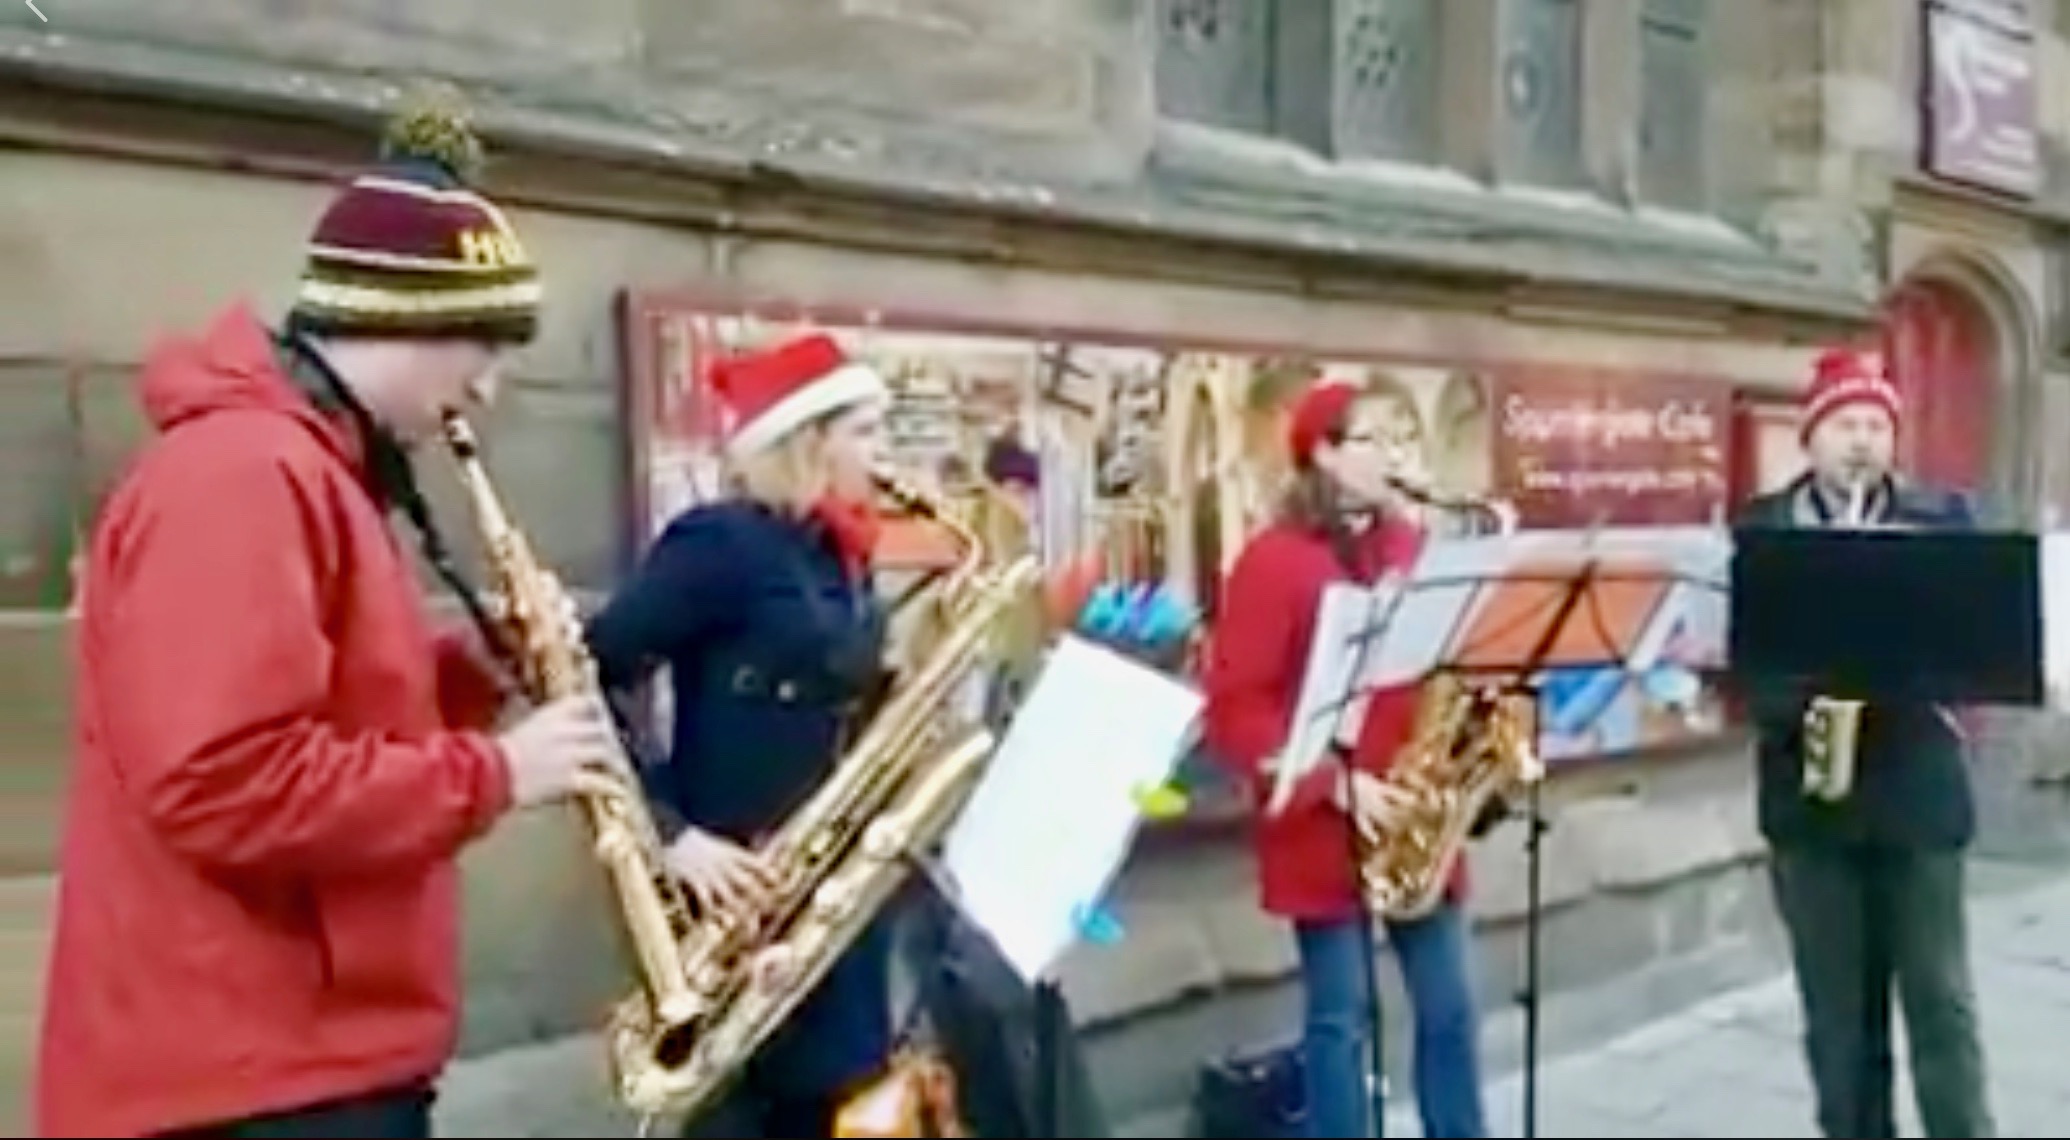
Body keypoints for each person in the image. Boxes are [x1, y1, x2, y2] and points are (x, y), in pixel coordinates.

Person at [34, 95, 614, 1139]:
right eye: (483, 345)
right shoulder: (246, 475)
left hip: (291, 1063)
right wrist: (499, 773)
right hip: (247, 1079)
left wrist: (477, 673)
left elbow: (327, 708)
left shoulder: (305, 466)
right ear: (405, 321)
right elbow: (224, 780)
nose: (485, 389)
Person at [586, 331, 896, 1137]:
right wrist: (670, 833)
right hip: (737, 902)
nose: (882, 452)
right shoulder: (716, 544)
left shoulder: (841, 556)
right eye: (864, 432)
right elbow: (585, 681)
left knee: (840, 1104)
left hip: (833, 901)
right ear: (808, 440)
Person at [1201, 377, 1488, 1138]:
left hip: (1415, 818)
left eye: (1402, 440)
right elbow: (1237, 711)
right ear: (1322, 454)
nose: (1395, 457)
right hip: (1324, 827)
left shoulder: (1414, 547)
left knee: (1452, 1008)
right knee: (1343, 1020)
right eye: (1375, 441)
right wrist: (1340, 786)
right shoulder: (1272, 562)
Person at [1734, 347, 1993, 1138]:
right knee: (1838, 1020)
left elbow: (1976, 647)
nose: (1861, 441)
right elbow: (1738, 658)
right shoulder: (1762, 531)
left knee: (1940, 1003)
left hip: (1916, 794)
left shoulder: (1940, 524)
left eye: (1877, 425)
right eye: (1845, 423)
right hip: (1811, 805)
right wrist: (1800, 697)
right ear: (1810, 437)